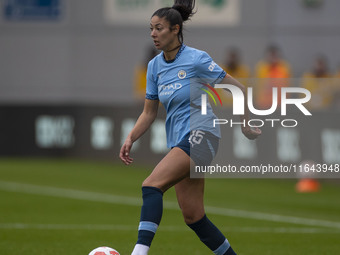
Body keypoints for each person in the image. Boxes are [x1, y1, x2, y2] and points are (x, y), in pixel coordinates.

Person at [120, 1, 261, 254]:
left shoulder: (196, 59)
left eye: (159, 28)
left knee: (151, 186)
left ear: (175, 29)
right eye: (150, 29)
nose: (153, 34)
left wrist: (246, 124)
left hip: (202, 136)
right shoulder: (154, 67)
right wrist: (131, 137)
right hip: (180, 142)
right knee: (194, 217)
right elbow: (148, 113)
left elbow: (238, 88)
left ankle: (139, 252)